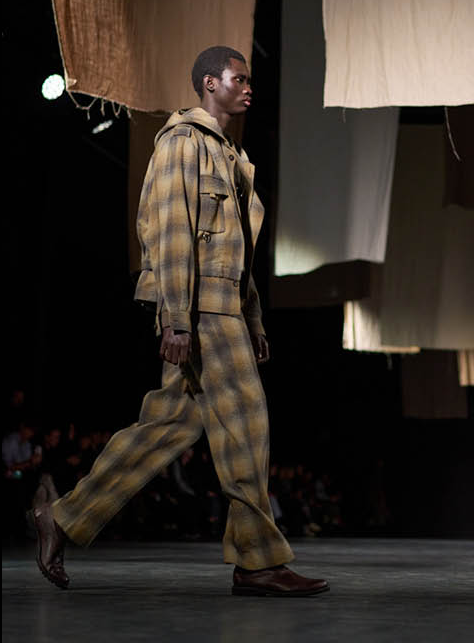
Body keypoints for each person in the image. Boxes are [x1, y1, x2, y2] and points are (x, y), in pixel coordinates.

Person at [33, 46, 328, 597]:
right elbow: (170, 236)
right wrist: (176, 320)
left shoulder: (229, 154)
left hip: (222, 310)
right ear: (209, 83)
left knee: (168, 427)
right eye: (238, 79)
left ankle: (64, 517)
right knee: (247, 427)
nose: (248, 87)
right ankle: (258, 562)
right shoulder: (181, 144)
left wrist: (254, 319)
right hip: (201, 313)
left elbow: (236, 252)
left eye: (249, 80)